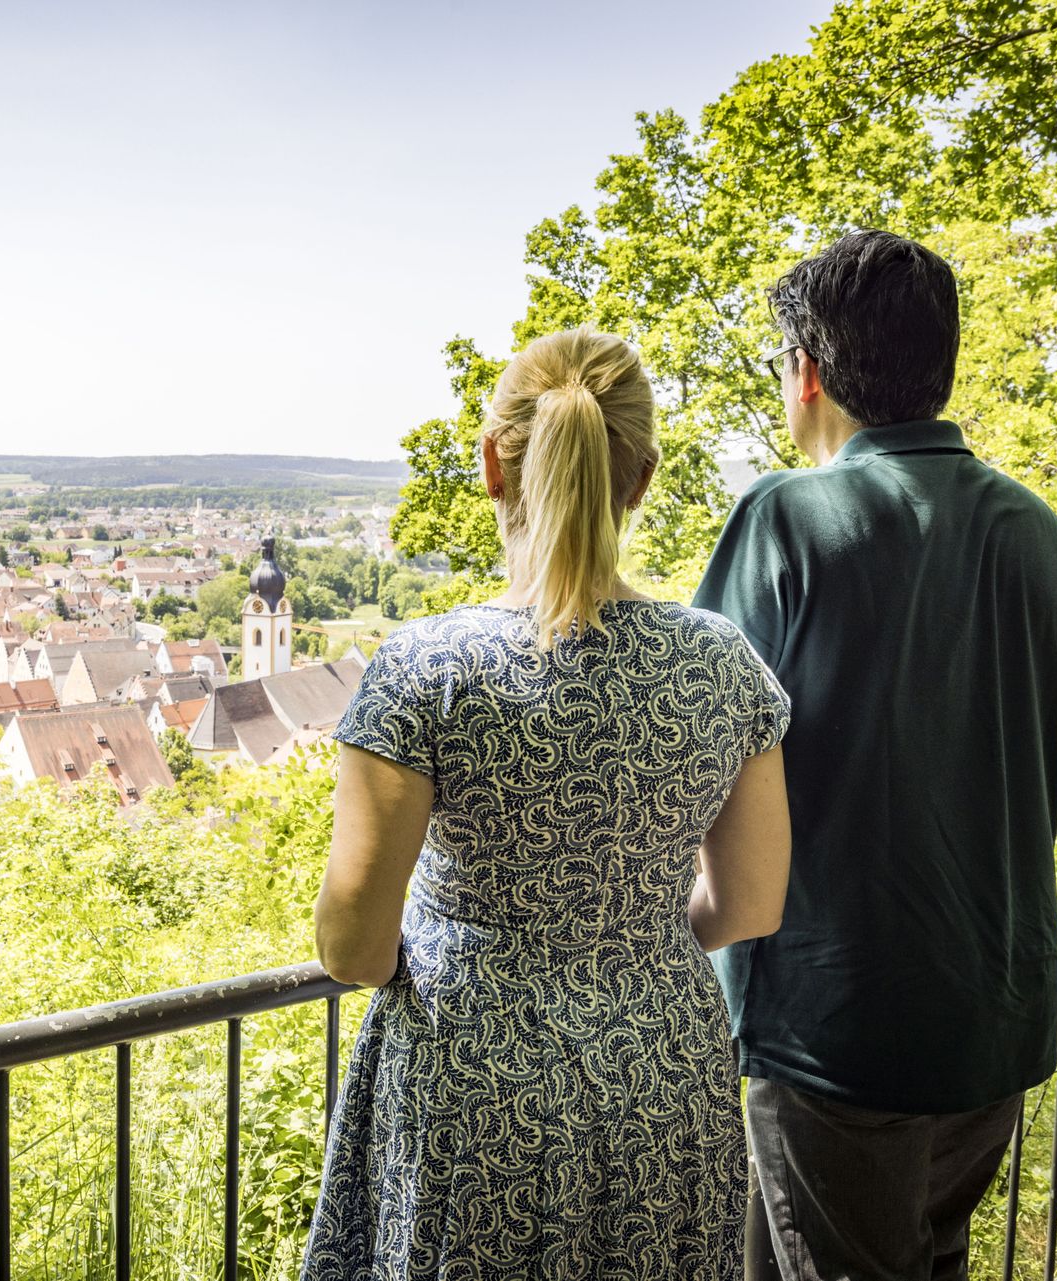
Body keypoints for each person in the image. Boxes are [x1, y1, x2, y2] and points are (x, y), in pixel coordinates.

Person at [302, 328, 793, 1280]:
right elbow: (753, 903)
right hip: (663, 1068)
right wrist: (625, 939)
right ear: (642, 477)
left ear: (493, 463)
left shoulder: (425, 668)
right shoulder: (720, 662)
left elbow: (353, 943)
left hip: (474, 1081)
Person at [691, 230, 1057, 1281]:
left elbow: (695, 765)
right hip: (995, 1013)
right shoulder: (1046, 537)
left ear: (808, 370)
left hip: (841, 1025)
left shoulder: (784, 518)